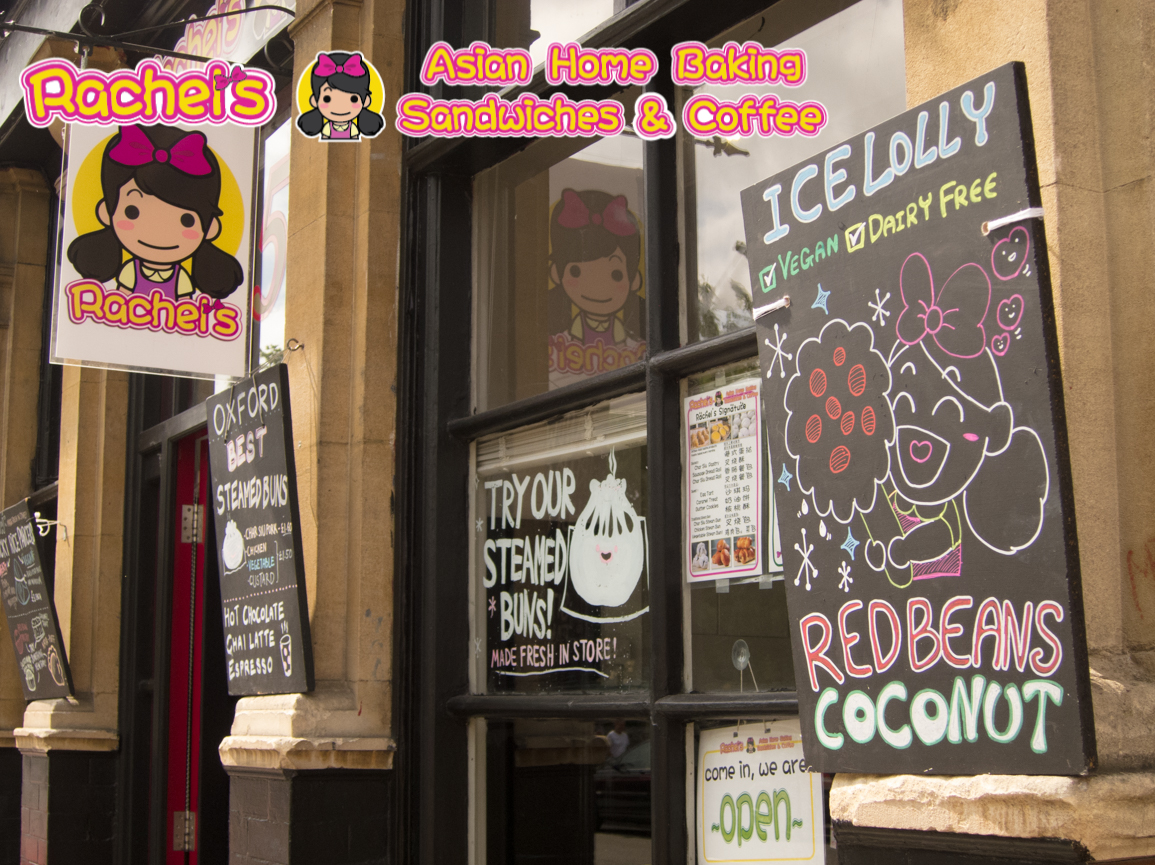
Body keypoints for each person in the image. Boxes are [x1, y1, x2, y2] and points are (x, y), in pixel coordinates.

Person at [67, 124, 243, 301]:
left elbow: (186, 303)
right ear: (106, 212)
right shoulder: (131, 271)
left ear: (210, 227)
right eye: (132, 212)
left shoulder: (181, 277)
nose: (159, 230)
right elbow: (120, 299)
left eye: (187, 220)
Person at [296, 52, 385, 141]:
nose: (340, 106)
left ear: (366, 101)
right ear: (314, 101)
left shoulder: (353, 128)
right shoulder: (327, 127)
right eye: (327, 99)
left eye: (353, 99)